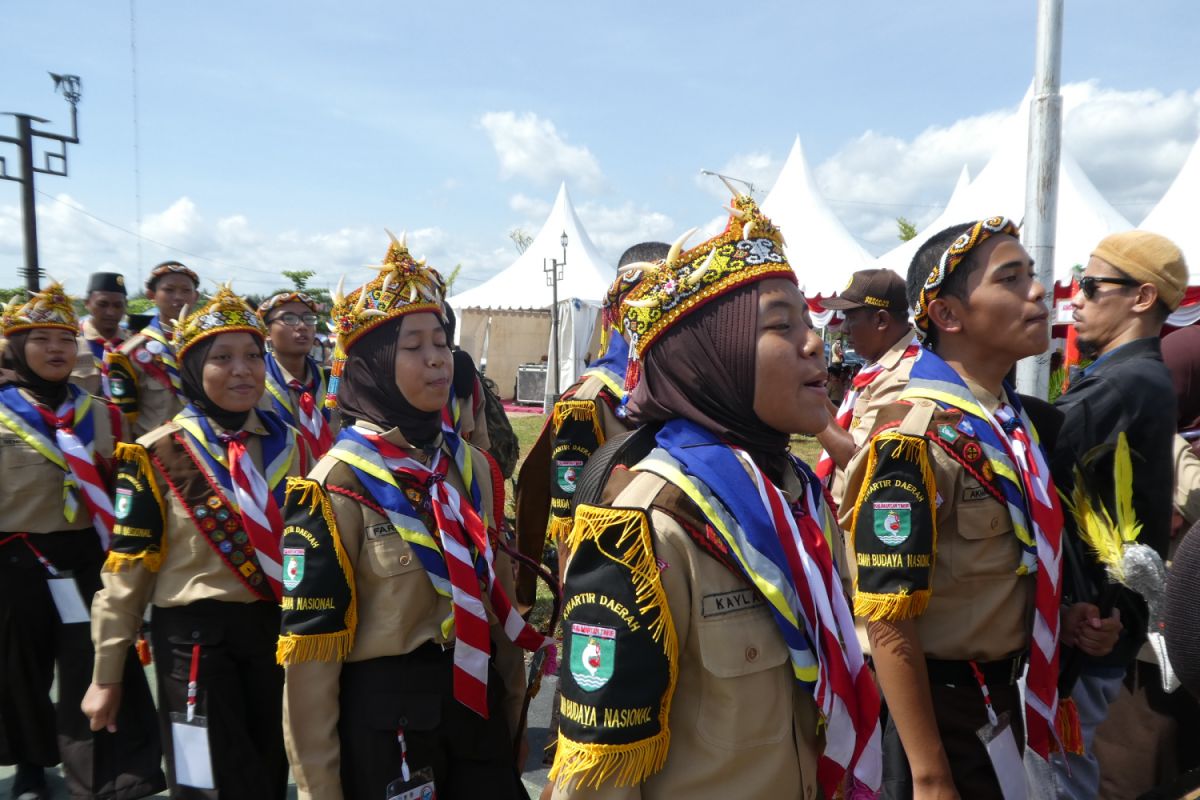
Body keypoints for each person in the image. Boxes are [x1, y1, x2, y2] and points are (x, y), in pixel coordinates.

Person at [549, 197, 880, 800]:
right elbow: (597, 780)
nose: (814, 345)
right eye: (781, 326)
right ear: (709, 361)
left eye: (809, 323)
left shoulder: (796, 494)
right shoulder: (649, 524)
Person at [842, 218, 1115, 799]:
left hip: (1003, 697)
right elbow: (888, 617)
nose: (1038, 292)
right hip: (940, 717)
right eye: (1010, 279)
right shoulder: (913, 440)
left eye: (1032, 276)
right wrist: (930, 773)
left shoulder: (1011, 424)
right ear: (948, 315)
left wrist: (1055, 622)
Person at [276, 236, 551, 800]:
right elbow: (312, 658)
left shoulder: (471, 467)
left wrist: (513, 713)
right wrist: (317, 788)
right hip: (389, 725)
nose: (436, 359)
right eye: (413, 346)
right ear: (374, 364)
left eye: (443, 343)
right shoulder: (337, 483)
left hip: (474, 704)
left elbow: (495, 604)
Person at [83, 284, 303, 799]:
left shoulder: (288, 443)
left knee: (270, 767)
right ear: (192, 369)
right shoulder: (154, 454)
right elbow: (127, 570)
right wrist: (106, 673)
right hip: (195, 645)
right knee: (202, 776)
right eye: (221, 358)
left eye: (253, 355)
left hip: (274, 634)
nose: (243, 370)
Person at [0, 283, 163, 800]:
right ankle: (30, 762)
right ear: (15, 349)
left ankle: (108, 776)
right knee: (19, 672)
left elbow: (126, 490)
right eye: (41, 339)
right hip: (16, 560)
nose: (55, 350)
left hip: (89, 558)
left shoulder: (103, 413)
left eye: (65, 340)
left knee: (93, 665)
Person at [1048, 230, 1188, 799]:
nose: (1074, 298)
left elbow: (1034, 446)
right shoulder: (1132, 376)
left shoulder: (1127, 381)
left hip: (1093, 628)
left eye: (1090, 284)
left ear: (1142, 297)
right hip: (1103, 621)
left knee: (1059, 783)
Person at [815, 268, 920, 505]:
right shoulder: (880, 364)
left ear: (881, 320)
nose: (843, 329)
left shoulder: (903, 375)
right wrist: (816, 398)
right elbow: (849, 426)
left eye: (851, 317)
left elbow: (859, 459)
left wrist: (813, 415)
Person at [107, 262, 200, 439]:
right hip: (156, 451)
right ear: (152, 295)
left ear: (195, 296)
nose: (179, 297)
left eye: (186, 291)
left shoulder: (213, 346)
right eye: (169, 290)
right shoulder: (130, 353)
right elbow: (123, 416)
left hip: (210, 450)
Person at [257, 290, 338, 460]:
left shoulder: (332, 380)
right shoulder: (255, 383)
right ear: (266, 332)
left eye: (308, 318)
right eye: (289, 318)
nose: (302, 326)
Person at [71, 271, 130, 400]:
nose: (110, 312)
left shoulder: (134, 344)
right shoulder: (70, 341)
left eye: (118, 305)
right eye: (102, 304)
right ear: (87, 303)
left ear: (126, 306)